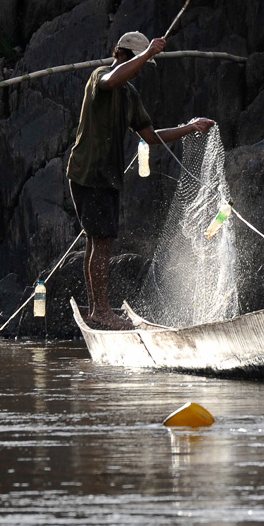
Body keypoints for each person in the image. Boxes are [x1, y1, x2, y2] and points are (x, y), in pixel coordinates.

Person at [66, 31, 213, 329]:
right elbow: (112, 79)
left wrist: (190, 127)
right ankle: (101, 312)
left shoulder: (130, 95)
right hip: (89, 173)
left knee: (97, 240)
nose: (143, 68)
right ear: (121, 54)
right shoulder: (100, 77)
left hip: (106, 177)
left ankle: (98, 309)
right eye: (138, 60)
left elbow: (151, 136)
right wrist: (147, 53)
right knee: (102, 242)